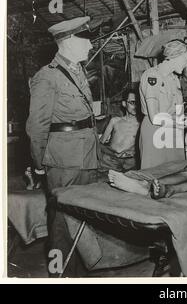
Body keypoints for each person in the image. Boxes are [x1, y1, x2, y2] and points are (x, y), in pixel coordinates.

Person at [25, 16, 99, 276]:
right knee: (61, 223)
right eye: (86, 40)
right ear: (68, 42)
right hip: (63, 160)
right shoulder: (47, 77)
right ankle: (62, 276)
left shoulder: (77, 71)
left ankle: (81, 272)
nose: (91, 47)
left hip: (87, 155)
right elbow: (36, 127)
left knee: (85, 217)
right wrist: (40, 166)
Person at [138, 39, 187, 169]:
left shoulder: (174, 80)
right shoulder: (152, 76)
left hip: (173, 131)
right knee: (154, 175)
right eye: (186, 59)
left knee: (176, 173)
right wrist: (180, 122)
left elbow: (179, 112)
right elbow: (155, 118)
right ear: (175, 56)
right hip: (155, 131)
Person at [99, 90, 140, 172]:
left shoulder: (140, 125)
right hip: (111, 159)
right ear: (124, 104)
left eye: (138, 103)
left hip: (129, 162)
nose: (135, 106)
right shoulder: (115, 121)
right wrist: (110, 153)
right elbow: (101, 143)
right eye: (132, 102)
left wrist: (132, 152)